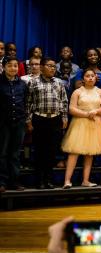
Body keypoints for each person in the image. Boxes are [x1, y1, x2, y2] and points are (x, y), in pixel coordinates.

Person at [61, 69, 101, 189]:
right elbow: (71, 108)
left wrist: (96, 111)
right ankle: (67, 180)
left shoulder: (100, 92)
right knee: (74, 152)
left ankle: (86, 180)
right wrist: (86, 114)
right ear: (83, 78)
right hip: (79, 122)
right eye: (87, 76)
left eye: (92, 76)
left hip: (95, 124)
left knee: (90, 153)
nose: (90, 78)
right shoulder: (77, 92)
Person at [26, 57, 68, 189]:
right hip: (39, 118)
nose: (52, 68)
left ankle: (49, 179)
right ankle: (39, 180)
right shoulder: (33, 82)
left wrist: (64, 117)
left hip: (55, 119)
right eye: (49, 66)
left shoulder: (59, 83)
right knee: (39, 151)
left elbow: (64, 101)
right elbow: (28, 103)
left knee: (51, 151)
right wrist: (28, 121)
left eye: (54, 66)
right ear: (42, 67)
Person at [0, 57, 28, 192]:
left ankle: (14, 181)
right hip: (3, 123)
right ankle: (2, 182)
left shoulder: (22, 84)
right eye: (10, 65)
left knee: (15, 154)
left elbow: (26, 102)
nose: (13, 68)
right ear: (4, 67)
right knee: (2, 153)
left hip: (19, 122)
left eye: (15, 66)